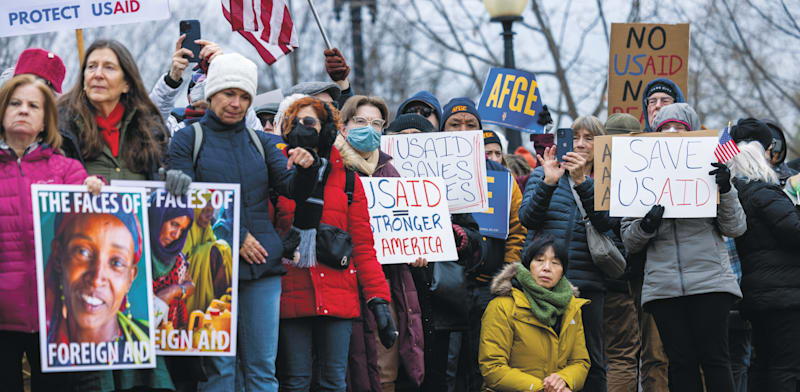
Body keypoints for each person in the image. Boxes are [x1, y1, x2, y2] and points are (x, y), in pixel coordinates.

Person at [168, 52, 319, 391]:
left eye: (244, 96)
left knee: (262, 370)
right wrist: (235, 235)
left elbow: (292, 188)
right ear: (211, 94)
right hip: (209, 269)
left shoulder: (263, 142)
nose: (236, 103)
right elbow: (185, 203)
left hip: (261, 269)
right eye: (228, 93)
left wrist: (308, 167)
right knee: (218, 371)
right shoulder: (187, 140)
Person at [270, 96, 394, 391]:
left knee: (333, 382)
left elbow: (364, 249)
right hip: (292, 293)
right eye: (296, 123)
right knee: (296, 381)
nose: (303, 129)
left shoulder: (350, 181)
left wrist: (379, 301)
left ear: (326, 129)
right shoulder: (277, 175)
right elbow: (265, 232)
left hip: (338, 295)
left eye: (310, 122)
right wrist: (282, 244)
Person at [621, 103, 746, 391]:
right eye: (665, 129)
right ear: (656, 135)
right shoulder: (640, 177)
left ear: (692, 135)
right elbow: (630, 239)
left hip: (710, 282)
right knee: (680, 362)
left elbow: (736, 227)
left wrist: (725, 189)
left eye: (680, 128)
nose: (673, 134)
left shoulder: (713, 169)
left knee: (716, 360)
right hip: (664, 287)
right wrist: (647, 224)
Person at [0, 74, 102, 392]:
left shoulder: (66, 170)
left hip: (54, 315)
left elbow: (89, 230)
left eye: (34, 106)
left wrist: (94, 192)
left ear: (46, 121)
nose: (23, 110)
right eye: (15, 103)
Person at [520, 114, 617, 392]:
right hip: (544, 285)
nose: (582, 143)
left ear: (601, 146)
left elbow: (609, 224)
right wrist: (549, 183)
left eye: (590, 138)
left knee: (591, 360)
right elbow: (527, 218)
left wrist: (583, 183)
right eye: (575, 137)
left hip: (588, 284)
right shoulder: (543, 172)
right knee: (543, 359)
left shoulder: (607, 180)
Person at [336, 95, 426, 391]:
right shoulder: (332, 167)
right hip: (344, 282)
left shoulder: (390, 172)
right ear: (344, 125)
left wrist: (417, 249)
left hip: (386, 284)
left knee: (385, 371)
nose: (369, 128)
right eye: (361, 121)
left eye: (376, 123)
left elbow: (409, 223)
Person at [440, 98, 527, 391]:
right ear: (442, 129)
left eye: (471, 125)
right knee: (447, 368)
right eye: (455, 124)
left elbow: (517, 229)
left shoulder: (501, 175)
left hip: (489, 287)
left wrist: (506, 277)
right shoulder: (427, 170)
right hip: (442, 286)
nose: (463, 130)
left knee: (485, 367)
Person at [728, 139, 800, 392]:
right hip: (785, 294)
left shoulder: (736, 197)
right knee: (787, 366)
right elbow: (794, 232)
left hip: (758, 293)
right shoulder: (765, 193)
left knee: (763, 363)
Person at [479, 235, 590, 392]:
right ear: (527, 265)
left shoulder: (571, 308)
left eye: (555, 263)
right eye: (539, 260)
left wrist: (564, 380)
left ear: (563, 271)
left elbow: (580, 362)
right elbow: (492, 368)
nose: (546, 268)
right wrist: (540, 388)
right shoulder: (502, 306)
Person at [44, 212, 149, 364]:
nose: (97, 279)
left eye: (117, 262)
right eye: (83, 252)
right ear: (58, 257)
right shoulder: (46, 347)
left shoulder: (145, 345)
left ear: (130, 277)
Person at [58, 39, 168, 181]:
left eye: (109, 67)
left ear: (126, 84)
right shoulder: (61, 126)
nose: (98, 74)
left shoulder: (151, 129)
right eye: (91, 66)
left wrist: (173, 178)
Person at [600, 113, 642, 392]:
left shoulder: (592, 171)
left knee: (603, 355)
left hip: (600, 276)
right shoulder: (645, 170)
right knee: (625, 355)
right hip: (627, 277)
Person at [182, 191, 233, 314]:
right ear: (195, 210)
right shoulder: (182, 231)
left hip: (207, 280)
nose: (209, 216)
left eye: (210, 212)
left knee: (222, 248)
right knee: (215, 250)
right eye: (204, 211)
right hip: (188, 285)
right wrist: (206, 254)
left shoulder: (208, 230)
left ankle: (219, 302)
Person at [149, 195, 196, 329]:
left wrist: (179, 289)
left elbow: (190, 286)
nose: (176, 235)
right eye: (174, 224)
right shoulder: (134, 257)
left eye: (182, 230)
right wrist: (169, 294)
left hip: (169, 340)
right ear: (157, 217)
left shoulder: (177, 258)